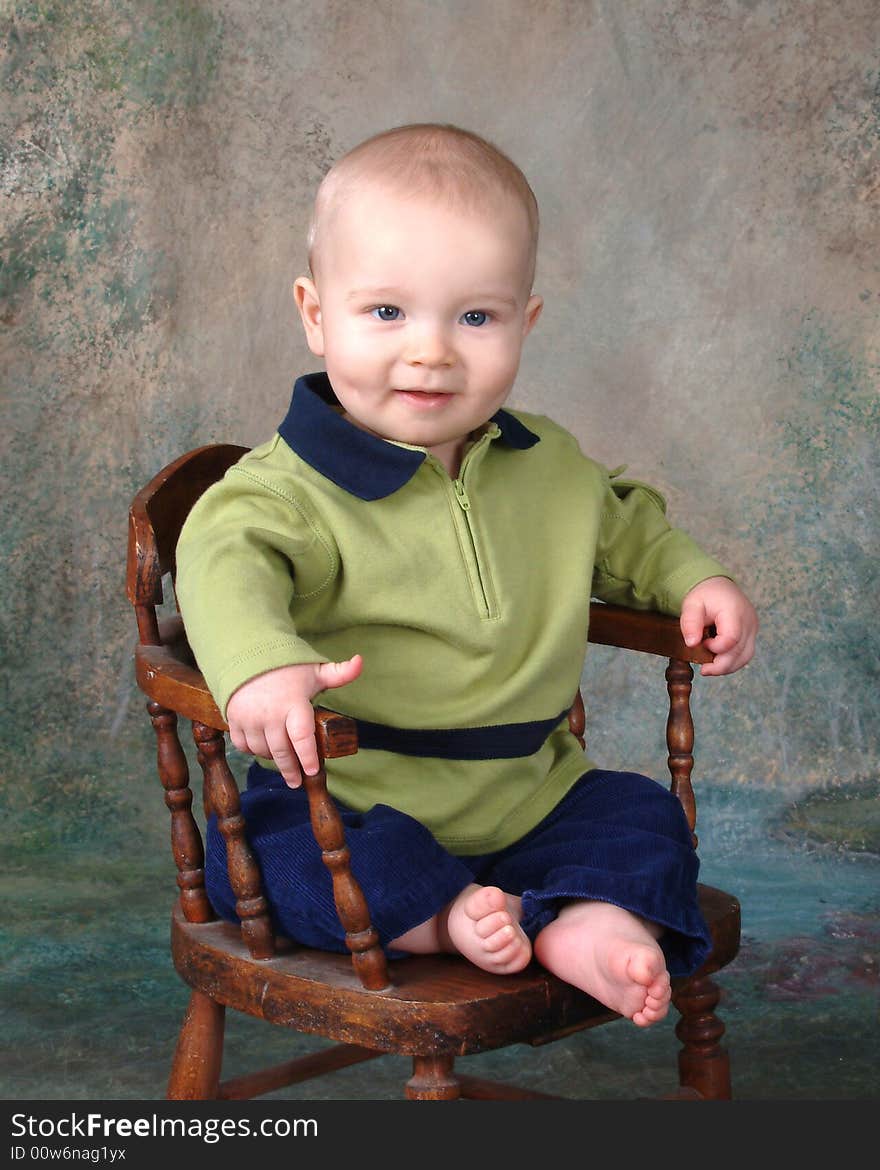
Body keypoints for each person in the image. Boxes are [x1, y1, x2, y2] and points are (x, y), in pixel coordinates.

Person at [175, 123, 758, 1028]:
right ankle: (444, 919)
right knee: (265, 853)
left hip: (531, 791)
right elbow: (222, 560)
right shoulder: (287, 493)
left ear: (524, 321)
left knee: (641, 817)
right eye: (386, 313)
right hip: (357, 802)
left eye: (474, 317)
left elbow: (625, 529)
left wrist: (693, 582)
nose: (432, 351)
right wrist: (259, 663)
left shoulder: (547, 465)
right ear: (315, 312)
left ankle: (586, 922)